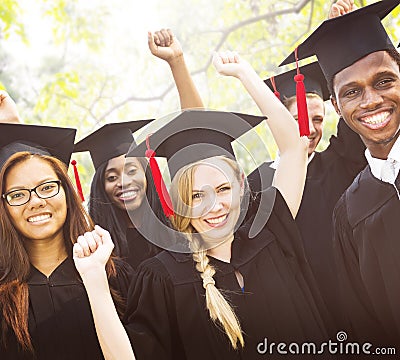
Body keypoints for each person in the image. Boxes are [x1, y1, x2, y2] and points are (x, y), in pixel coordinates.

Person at [72, 52, 333, 360]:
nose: (215, 206)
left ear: (240, 186)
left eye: (223, 189)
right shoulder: (163, 277)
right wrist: (94, 280)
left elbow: (293, 147)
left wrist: (244, 73)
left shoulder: (270, 234)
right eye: (196, 195)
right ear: (178, 201)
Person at [280, 0, 400, 347]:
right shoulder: (348, 213)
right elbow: (365, 329)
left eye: (384, 81)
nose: (371, 100)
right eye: (352, 92)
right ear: (337, 105)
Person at [247, 61, 366, 332]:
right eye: (298, 118)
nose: (311, 129)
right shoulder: (256, 183)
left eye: (318, 119)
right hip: (297, 309)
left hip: (352, 300)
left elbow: (356, 113)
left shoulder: (339, 161)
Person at [0, 123, 132, 360]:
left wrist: (95, 277)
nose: (36, 201)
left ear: (67, 193)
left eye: (47, 187)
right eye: (18, 194)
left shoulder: (115, 276)